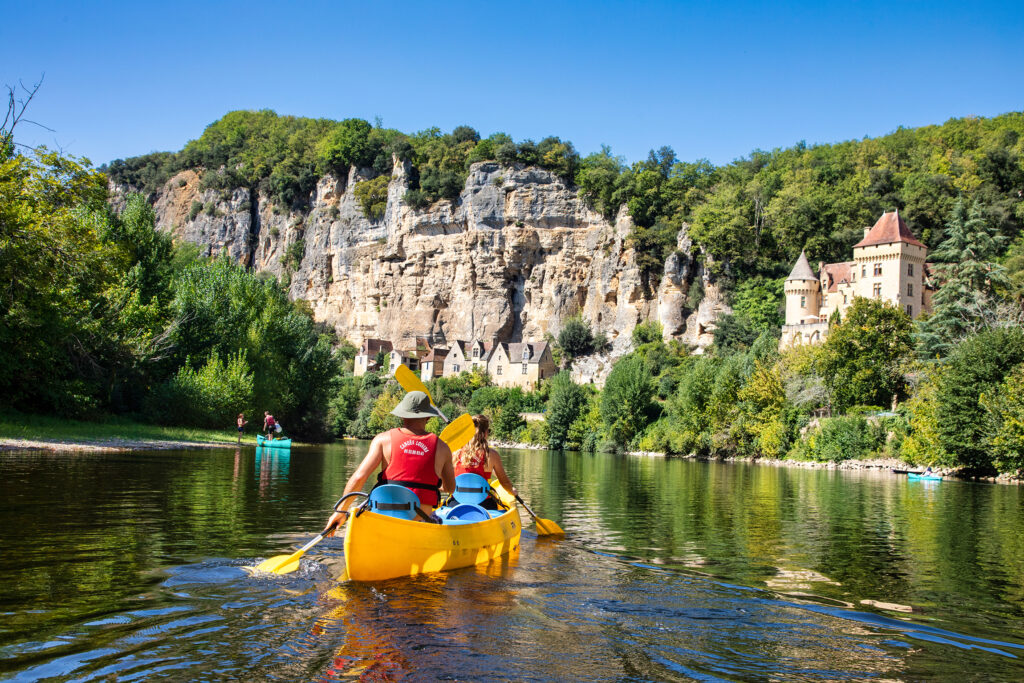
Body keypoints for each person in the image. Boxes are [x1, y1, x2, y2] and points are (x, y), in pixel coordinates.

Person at [324, 391, 456, 533]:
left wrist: (341, 511)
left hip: (384, 521)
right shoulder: (443, 448)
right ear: (428, 417)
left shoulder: (382, 440)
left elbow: (359, 477)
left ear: (402, 414)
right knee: (440, 520)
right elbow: (450, 488)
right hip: (420, 523)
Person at [453, 414, 518, 507]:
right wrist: (512, 491)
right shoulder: (491, 455)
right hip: (484, 504)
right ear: (485, 432)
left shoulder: (455, 453)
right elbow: (505, 482)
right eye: (489, 431)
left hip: (457, 503)